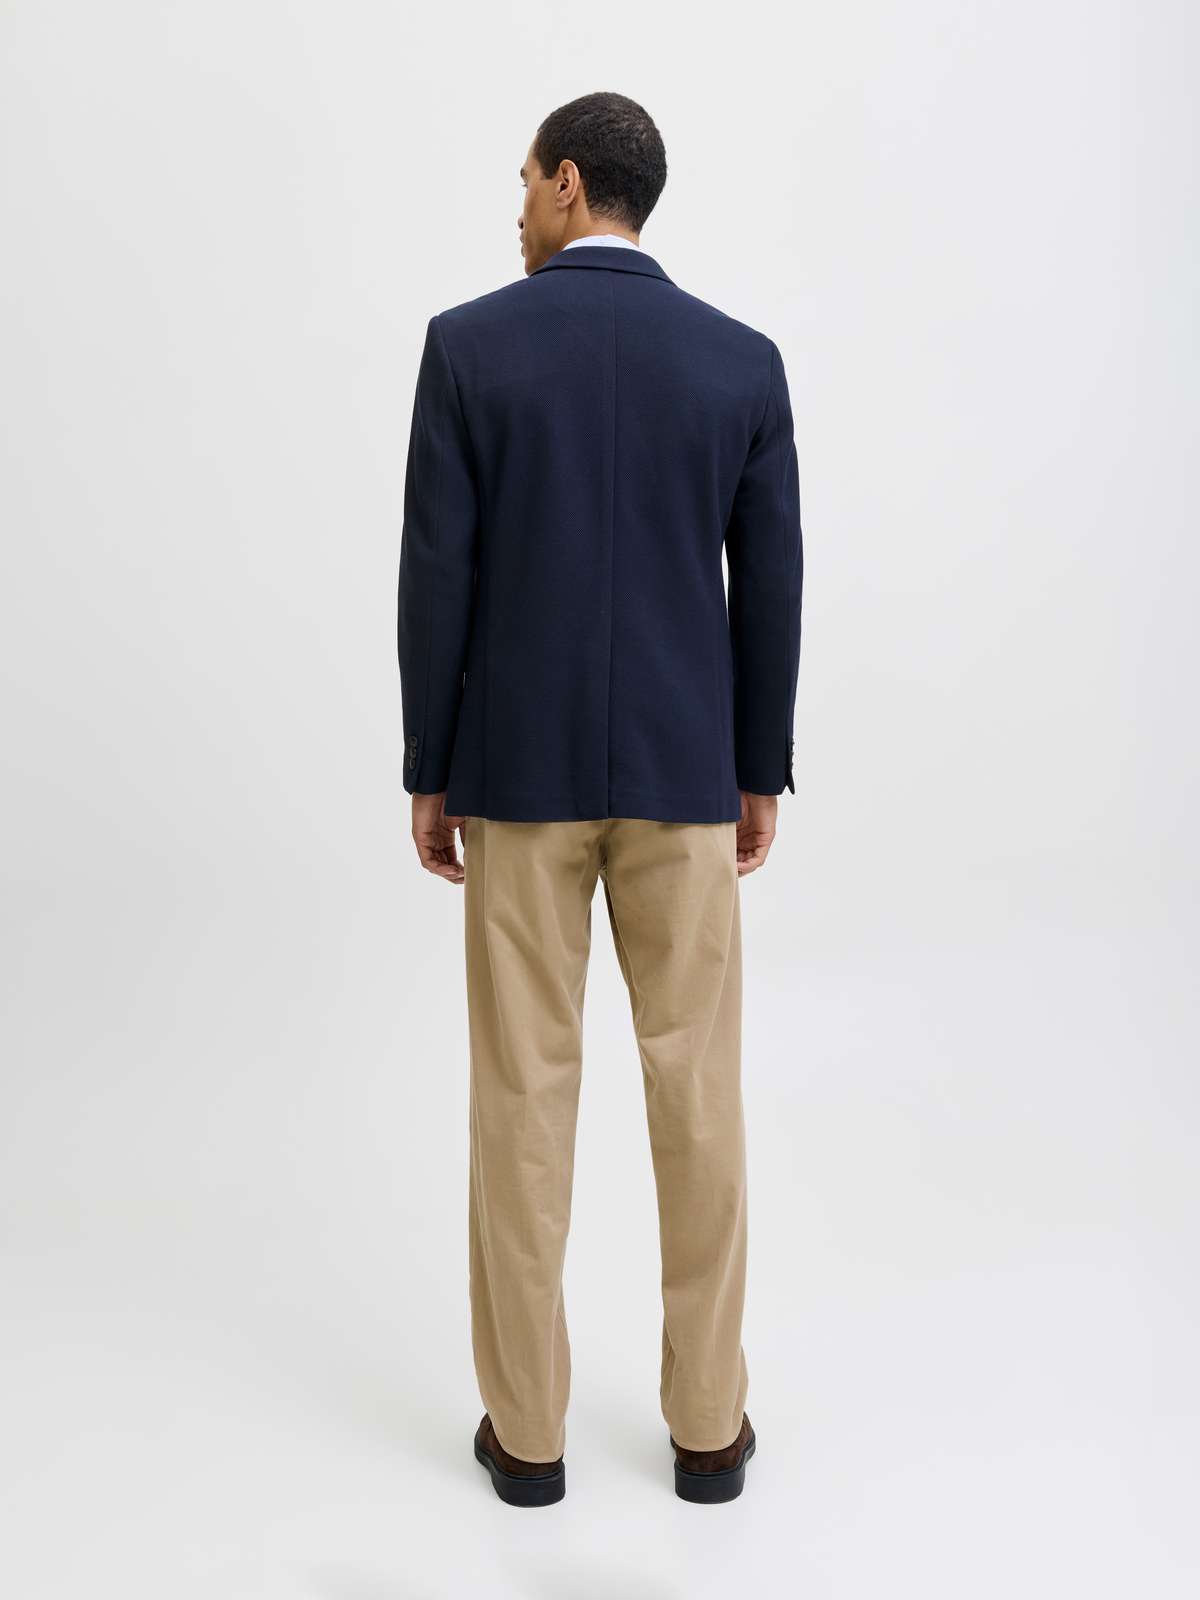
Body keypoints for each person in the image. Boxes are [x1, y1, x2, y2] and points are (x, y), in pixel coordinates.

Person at [396, 91, 802, 1506]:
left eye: (525, 180)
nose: (516, 207)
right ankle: (708, 1432)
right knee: (700, 1093)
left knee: (522, 1095)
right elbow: (772, 584)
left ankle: (528, 1439)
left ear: (571, 184)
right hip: (687, 779)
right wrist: (756, 767)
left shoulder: (469, 346)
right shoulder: (740, 361)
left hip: (518, 775)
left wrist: (430, 767)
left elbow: (436, 574)